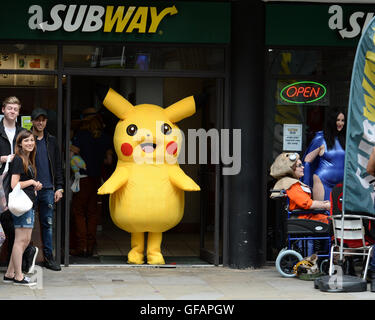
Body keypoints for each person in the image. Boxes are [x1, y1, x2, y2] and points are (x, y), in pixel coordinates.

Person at [0, 96, 38, 276]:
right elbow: (17, 180)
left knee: (17, 234)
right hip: (4, 187)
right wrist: (5, 159)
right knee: (17, 236)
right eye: (9, 108)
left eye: (15, 109)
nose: (12, 111)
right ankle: (17, 274)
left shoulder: (22, 132)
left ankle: (11, 271)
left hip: (15, 194)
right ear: (3, 110)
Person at [70, 108, 113, 257]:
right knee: (93, 213)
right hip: (97, 179)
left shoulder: (81, 135)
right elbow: (109, 160)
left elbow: (72, 153)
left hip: (82, 179)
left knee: (79, 212)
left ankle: (81, 246)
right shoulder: (105, 138)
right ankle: (90, 246)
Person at [270, 152, 331, 257]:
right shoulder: (292, 185)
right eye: (299, 166)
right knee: (335, 224)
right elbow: (306, 203)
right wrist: (324, 205)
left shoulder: (293, 183)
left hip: (306, 217)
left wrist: (322, 204)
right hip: (304, 218)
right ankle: (330, 256)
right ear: (290, 168)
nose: (303, 167)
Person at [3, 130, 42, 286]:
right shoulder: (19, 159)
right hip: (22, 205)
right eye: (26, 141)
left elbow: (23, 183)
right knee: (21, 241)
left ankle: (9, 273)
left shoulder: (27, 159)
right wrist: (32, 182)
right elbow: (14, 184)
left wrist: (35, 185)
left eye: (32, 140)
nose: (30, 143)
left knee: (22, 241)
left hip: (27, 203)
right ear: (19, 144)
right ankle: (18, 277)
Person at [30, 108, 64, 271]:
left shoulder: (51, 140)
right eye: (37, 119)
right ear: (32, 121)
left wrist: (59, 187)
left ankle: (49, 259)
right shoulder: (26, 140)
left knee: (47, 225)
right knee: (26, 226)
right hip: (30, 189)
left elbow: (58, 165)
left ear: (46, 122)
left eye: (43, 119)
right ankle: (26, 260)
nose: (40, 122)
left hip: (48, 189)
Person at [302, 108, 346, 201]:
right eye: (337, 120)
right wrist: (306, 184)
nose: (340, 123)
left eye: (343, 120)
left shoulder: (346, 140)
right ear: (332, 121)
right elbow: (307, 161)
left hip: (343, 183)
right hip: (323, 181)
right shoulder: (320, 139)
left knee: (340, 214)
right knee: (323, 213)